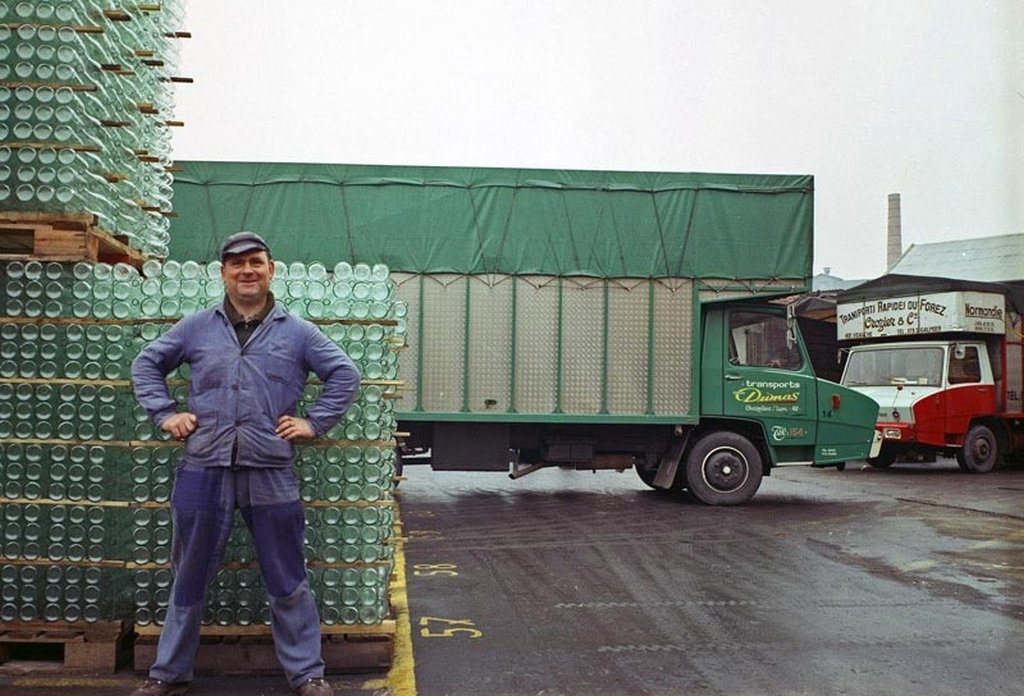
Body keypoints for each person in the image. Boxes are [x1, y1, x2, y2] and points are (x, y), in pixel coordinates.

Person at [130, 232, 361, 696]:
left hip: (270, 468)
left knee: (287, 575)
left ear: (271, 269)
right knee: (188, 573)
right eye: (237, 264)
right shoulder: (196, 327)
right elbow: (146, 364)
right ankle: (169, 674)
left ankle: (307, 674)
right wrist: (165, 413)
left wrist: (313, 423)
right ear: (224, 274)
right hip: (203, 467)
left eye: (256, 262)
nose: (247, 271)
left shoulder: (297, 332)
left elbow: (345, 373)